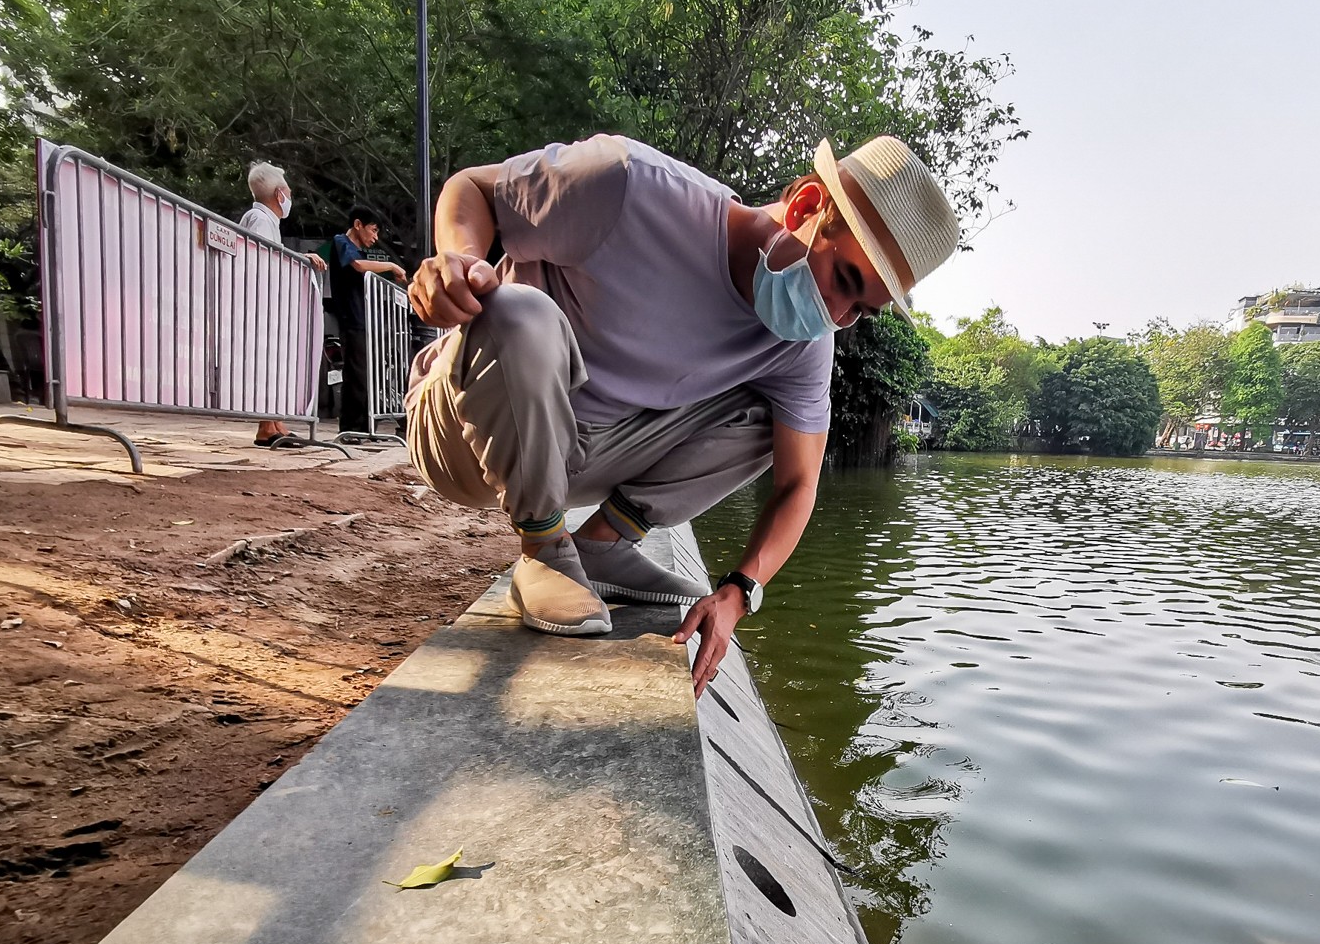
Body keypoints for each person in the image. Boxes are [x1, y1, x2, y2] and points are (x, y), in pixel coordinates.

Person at [406, 133, 959, 694]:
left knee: (779, 421)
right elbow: (472, 187)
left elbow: (799, 484)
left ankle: (601, 544)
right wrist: (460, 262)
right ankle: (544, 549)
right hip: (464, 430)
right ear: (807, 207)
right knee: (520, 312)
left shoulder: (805, 344)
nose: (836, 314)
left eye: (860, 312)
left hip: (579, 458)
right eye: (844, 279)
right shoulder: (627, 185)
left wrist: (740, 590)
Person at [238, 161, 328, 446]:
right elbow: (264, 261)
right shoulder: (261, 220)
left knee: (274, 363)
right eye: (288, 192)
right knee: (267, 363)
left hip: (265, 304)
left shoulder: (263, 220)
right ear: (279, 194)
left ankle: (275, 422)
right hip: (261, 304)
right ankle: (268, 426)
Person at [327, 206, 407, 437]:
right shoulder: (342, 242)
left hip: (365, 320)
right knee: (357, 374)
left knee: (368, 375)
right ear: (358, 224)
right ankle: (352, 427)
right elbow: (359, 267)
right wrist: (392, 266)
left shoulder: (358, 251)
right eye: (373, 230)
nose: (375, 237)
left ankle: (364, 426)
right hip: (352, 320)